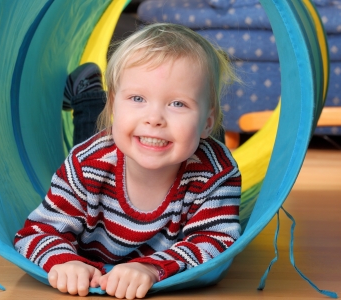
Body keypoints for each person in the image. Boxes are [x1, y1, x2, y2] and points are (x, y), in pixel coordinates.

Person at [14, 23, 242, 299]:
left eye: (177, 103)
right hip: (108, 152)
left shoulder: (216, 174)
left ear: (206, 121)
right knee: (94, 133)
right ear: (113, 104)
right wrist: (65, 261)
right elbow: (35, 232)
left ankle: (191, 118)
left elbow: (217, 241)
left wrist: (150, 268)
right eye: (137, 98)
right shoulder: (87, 165)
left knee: (193, 140)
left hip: (188, 142)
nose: (154, 117)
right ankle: (88, 93)